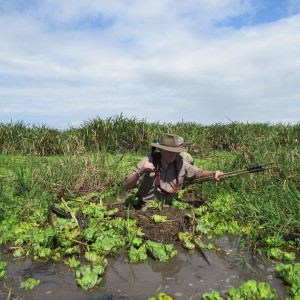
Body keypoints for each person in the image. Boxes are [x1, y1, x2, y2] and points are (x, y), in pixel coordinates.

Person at [125, 133, 223, 206]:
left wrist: (214, 173)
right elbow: (127, 185)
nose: (172, 154)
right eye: (169, 151)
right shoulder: (148, 162)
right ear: (161, 150)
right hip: (146, 207)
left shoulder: (180, 163)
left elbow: (198, 172)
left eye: (175, 151)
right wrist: (140, 171)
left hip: (170, 208)